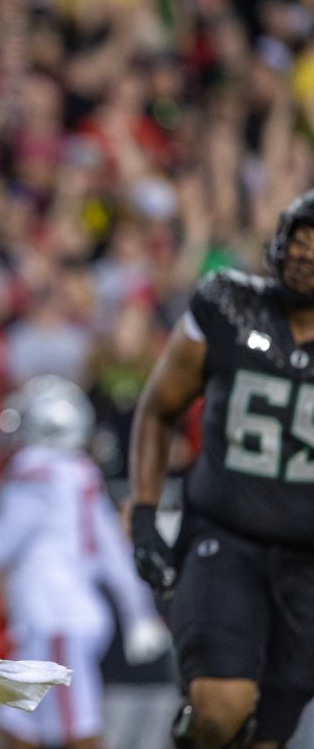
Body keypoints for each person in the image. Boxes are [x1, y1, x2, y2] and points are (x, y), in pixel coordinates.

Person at [129, 192, 314, 749]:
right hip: (224, 537)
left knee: (266, 738)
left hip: (308, 563)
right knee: (218, 711)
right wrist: (142, 516)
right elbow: (160, 408)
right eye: (299, 242)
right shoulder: (230, 305)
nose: (304, 257)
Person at [0, 376, 170, 749]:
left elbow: (5, 545)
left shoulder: (36, 467)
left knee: (76, 730)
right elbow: (112, 551)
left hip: (54, 616)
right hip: (69, 614)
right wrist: (137, 613)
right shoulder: (81, 471)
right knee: (17, 724)